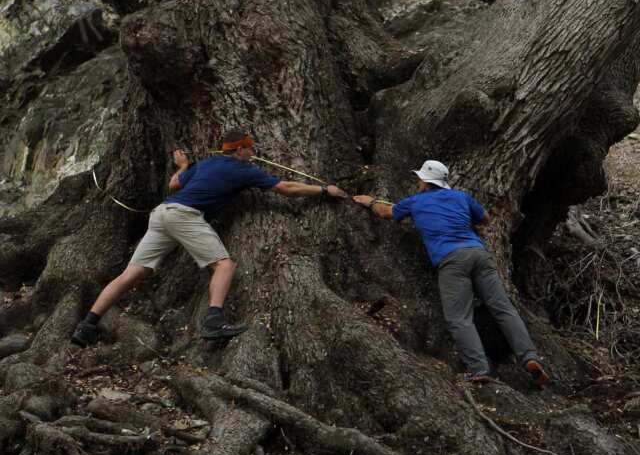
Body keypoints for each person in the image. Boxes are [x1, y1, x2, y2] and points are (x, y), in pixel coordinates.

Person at [72, 128, 348, 347]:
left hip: (162, 214)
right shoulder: (244, 169)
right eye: (250, 148)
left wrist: (183, 165)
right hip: (185, 215)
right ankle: (214, 320)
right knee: (224, 265)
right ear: (239, 150)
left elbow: (174, 184)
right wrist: (324, 190)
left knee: (131, 274)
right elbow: (286, 188)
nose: (253, 152)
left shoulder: (206, 163)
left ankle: (87, 325)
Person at [354, 159, 549, 386]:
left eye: (419, 179)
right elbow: (485, 218)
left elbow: (385, 211)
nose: (418, 182)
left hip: (452, 260)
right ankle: (529, 357)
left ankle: (479, 369)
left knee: (459, 317)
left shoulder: (415, 202)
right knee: (503, 309)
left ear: (425, 182)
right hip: (479, 254)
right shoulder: (460, 197)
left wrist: (369, 201)